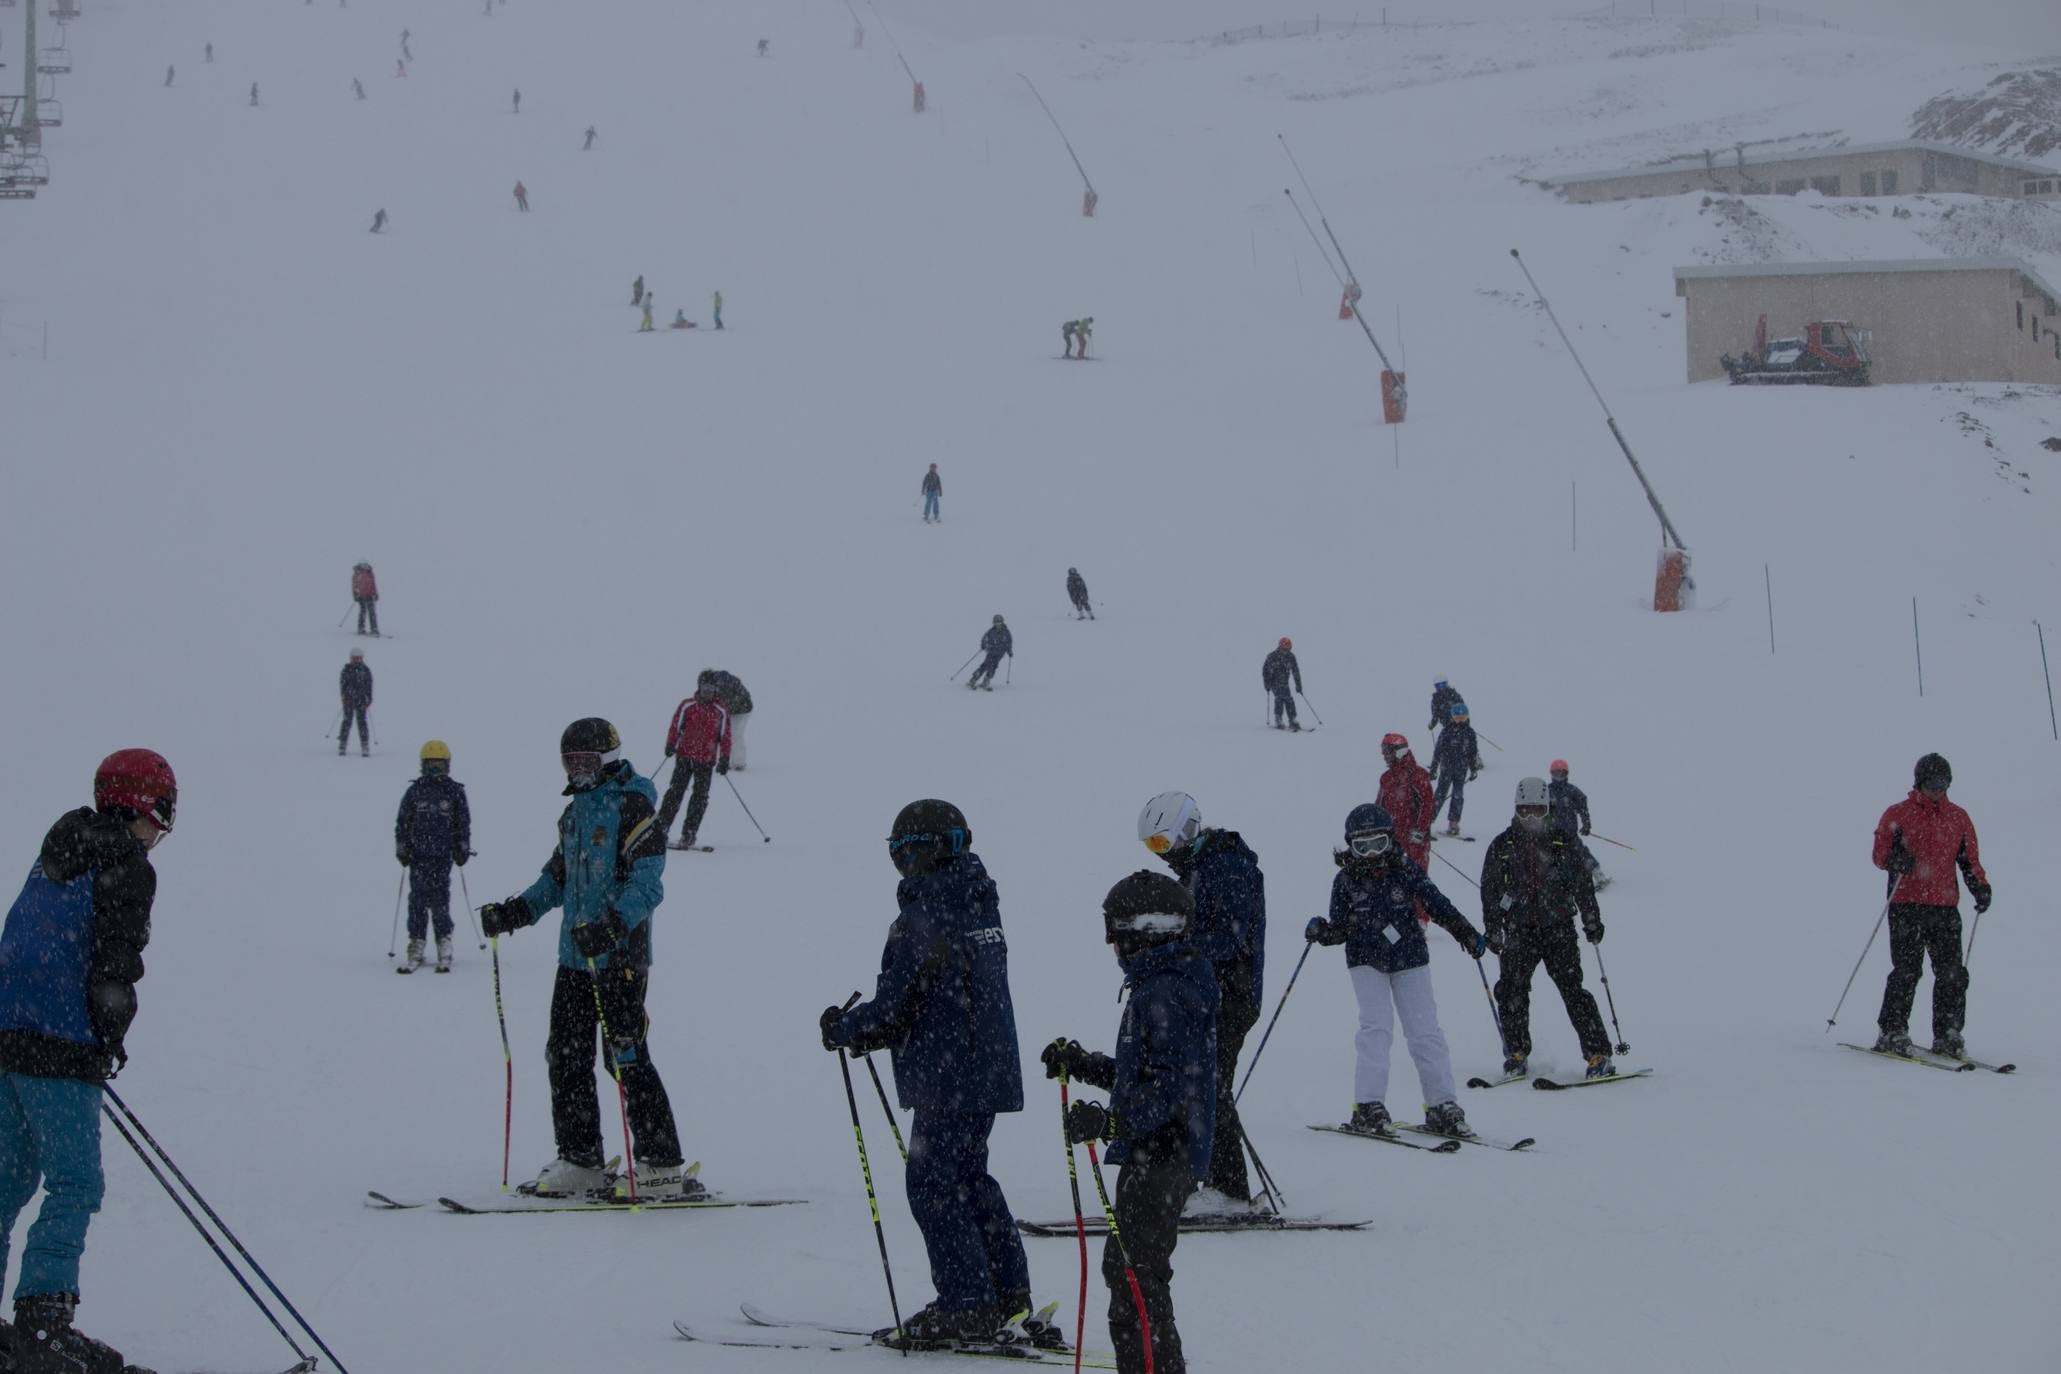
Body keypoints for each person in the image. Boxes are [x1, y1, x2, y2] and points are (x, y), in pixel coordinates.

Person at [819, 800, 1036, 1346]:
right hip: (982, 1065)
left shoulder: (928, 912)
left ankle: (966, 1305)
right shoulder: (977, 900)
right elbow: (930, 992)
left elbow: (897, 1006)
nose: (906, 863)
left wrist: (848, 1028)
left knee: (934, 1183)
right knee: (968, 1178)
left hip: (950, 1070)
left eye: (916, 850)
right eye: (897, 853)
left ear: (947, 848)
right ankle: (1004, 1293)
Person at [0, 749, 175, 1374]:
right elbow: (115, 967)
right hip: (61, 1044)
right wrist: (105, 1038)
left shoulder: (60, 846)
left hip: (8, 1035)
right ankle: (43, 1324)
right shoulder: (125, 867)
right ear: (140, 806)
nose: (161, 831)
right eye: (162, 813)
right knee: (75, 1183)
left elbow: (23, 939)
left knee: (7, 1180)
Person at [477, 719, 689, 1199]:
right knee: (566, 1056)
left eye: (586, 762)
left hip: (619, 958)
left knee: (625, 1056)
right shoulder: (574, 814)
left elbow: (649, 882)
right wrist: (514, 912)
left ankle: (660, 1165)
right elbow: (555, 880)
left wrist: (614, 925)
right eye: (570, 762)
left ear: (608, 760)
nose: (578, 771)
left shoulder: (634, 807)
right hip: (573, 958)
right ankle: (582, 1158)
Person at [1041, 870, 1217, 1374]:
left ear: (1146, 933)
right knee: (1132, 1276)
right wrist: (1086, 1064)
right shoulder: (1168, 984)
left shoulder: (1164, 993)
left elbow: (1170, 1090)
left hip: (1162, 1155)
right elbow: (1148, 1076)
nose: (1112, 948)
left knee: (1136, 1282)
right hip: (1159, 1152)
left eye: (1116, 936)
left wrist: (1111, 1125)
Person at [1304, 804, 1484, 1138]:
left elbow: (1438, 904)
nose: (1371, 854)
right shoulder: (1345, 881)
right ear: (1350, 847)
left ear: (1390, 840)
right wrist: (1323, 931)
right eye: (1362, 847)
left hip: (1410, 957)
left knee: (1425, 1031)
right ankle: (1368, 1105)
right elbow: (1341, 928)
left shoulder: (1406, 870)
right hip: (1366, 960)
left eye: (1378, 844)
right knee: (1376, 1027)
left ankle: (1442, 1105)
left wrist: (1466, 933)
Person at [1136, 792, 1262, 1208]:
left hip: (1231, 996)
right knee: (1199, 1086)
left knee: (1210, 1088)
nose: (1161, 855)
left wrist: (1172, 948)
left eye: (1163, 843)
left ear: (1186, 830)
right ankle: (1209, 1181)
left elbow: (1230, 938)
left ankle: (1230, 1190)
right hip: (1205, 995)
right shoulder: (1196, 868)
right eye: (1153, 847)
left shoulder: (1225, 866)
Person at [1481, 777, 1613, 1079]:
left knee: (1573, 991)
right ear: (1516, 810)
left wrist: (1591, 919)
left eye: (1537, 811)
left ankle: (1598, 1053)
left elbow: (1583, 885)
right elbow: (1489, 889)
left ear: (1547, 809)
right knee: (1512, 990)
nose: (1531, 818)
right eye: (1524, 811)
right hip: (1519, 931)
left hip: (1558, 929)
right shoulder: (1504, 845)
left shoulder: (1562, 842)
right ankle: (1516, 1052)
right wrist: (1492, 927)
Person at [1871, 753, 1988, 1058]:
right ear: (1919, 783)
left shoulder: (1958, 818)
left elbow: (1969, 860)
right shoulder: (1898, 814)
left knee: (1952, 972)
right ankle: (1893, 1029)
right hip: (1906, 904)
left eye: (1944, 783)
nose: (1938, 789)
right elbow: (1879, 853)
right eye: (1931, 783)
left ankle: (1948, 1032)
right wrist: (1895, 860)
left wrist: (1980, 887)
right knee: (1908, 970)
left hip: (1945, 906)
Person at [395, 741, 472, 973]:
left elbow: (463, 823)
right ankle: (416, 941)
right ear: (423, 766)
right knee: (417, 900)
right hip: (418, 856)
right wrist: (402, 847)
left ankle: (444, 941)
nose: (435, 771)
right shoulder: (415, 792)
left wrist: (462, 847)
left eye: (439, 766)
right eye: (431, 766)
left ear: (447, 766)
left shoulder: (454, 792)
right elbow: (402, 823)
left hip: (442, 856)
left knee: (439, 900)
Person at [657, 682, 730, 850]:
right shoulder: (687, 705)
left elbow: (725, 736)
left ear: (715, 691)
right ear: (699, 688)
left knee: (700, 797)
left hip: (706, 761)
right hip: (684, 757)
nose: (707, 693)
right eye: (705, 689)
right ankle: (661, 829)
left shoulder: (721, 711)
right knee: (675, 793)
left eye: (711, 690)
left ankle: (689, 833)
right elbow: (675, 726)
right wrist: (670, 744)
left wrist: (724, 758)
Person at [1547, 759, 1605, 888]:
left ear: (1567, 774)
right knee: (1548, 856)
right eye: (1556, 774)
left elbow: (1582, 806)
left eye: (1562, 774)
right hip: (1551, 834)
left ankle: (1597, 873)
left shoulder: (1572, 791)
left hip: (1569, 833)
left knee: (1580, 853)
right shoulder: (1547, 791)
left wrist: (1586, 824)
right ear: (1551, 774)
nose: (1559, 777)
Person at [1430, 703, 1481, 837]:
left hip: (1461, 770)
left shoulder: (1469, 732)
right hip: (1447, 768)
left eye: (1462, 718)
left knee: (1458, 796)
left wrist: (1473, 769)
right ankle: (1427, 821)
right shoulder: (1447, 731)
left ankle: (1453, 823)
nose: (1460, 721)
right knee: (1440, 795)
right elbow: (1438, 751)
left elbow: (1472, 752)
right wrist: (1434, 768)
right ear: (1452, 718)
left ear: (1467, 717)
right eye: (1457, 718)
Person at [699, 669, 753, 770]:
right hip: (729, 709)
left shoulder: (723, 686)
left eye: (707, 687)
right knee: (719, 733)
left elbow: (724, 704)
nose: (705, 690)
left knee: (734, 734)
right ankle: (721, 760)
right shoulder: (712, 684)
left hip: (742, 710)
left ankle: (738, 763)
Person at [1260, 637, 1301, 731]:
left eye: (1288, 648)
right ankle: (1278, 719)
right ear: (1280, 647)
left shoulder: (1291, 657)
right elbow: (1265, 671)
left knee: (1289, 699)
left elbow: (1296, 671)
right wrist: (1266, 684)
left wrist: (1298, 685)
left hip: (1285, 682)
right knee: (1280, 697)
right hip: (1273, 681)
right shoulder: (1272, 656)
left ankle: (1292, 719)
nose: (1287, 651)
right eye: (1285, 648)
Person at [339, 648, 373, 757]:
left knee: (362, 723)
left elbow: (369, 686)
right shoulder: (346, 669)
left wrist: (368, 698)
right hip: (349, 700)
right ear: (351, 658)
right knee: (346, 722)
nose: (357, 660)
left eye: (359, 658)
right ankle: (342, 744)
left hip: (361, 700)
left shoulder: (365, 670)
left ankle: (365, 745)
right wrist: (344, 695)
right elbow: (343, 684)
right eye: (355, 658)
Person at [967, 615, 1010, 691]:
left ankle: (986, 682)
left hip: (1000, 654)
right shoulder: (991, 632)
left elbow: (1009, 642)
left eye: (999, 622)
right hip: (991, 652)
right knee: (986, 665)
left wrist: (1009, 651)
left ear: (1002, 622)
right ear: (994, 623)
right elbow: (984, 638)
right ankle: (973, 680)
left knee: (993, 667)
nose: (998, 624)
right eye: (996, 622)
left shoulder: (1006, 632)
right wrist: (984, 645)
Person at [351, 560, 380, 635]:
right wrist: (356, 594)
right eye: (363, 565)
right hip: (361, 596)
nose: (365, 567)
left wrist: (375, 593)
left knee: (372, 612)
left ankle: (374, 629)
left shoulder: (370, 573)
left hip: (370, 595)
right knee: (363, 611)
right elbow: (355, 585)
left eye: (366, 565)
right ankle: (361, 628)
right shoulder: (357, 573)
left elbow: (373, 584)